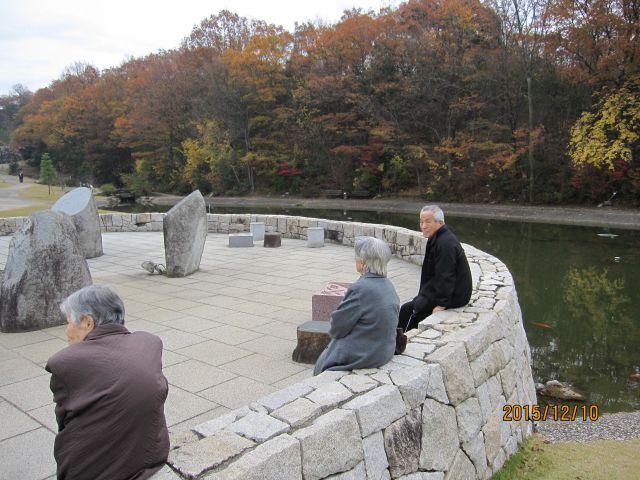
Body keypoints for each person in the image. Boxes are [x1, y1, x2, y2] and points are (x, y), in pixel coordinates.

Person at [45, 285, 169, 480]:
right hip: (153, 455)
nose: (66, 330)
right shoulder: (149, 342)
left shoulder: (65, 362)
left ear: (88, 322)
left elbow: (66, 423)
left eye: (68, 322)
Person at [314, 236, 400, 375]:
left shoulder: (361, 288)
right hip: (385, 350)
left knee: (322, 363)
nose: (355, 259)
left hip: (367, 354)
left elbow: (337, 328)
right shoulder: (388, 285)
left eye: (356, 257)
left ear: (363, 262)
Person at [398, 205, 472, 332]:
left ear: (440, 222)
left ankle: (397, 342)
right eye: (421, 222)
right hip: (443, 291)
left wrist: (441, 305)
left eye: (428, 222)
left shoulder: (445, 244)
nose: (423, 226)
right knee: (415, 305)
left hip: (454, 296)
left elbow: (446, 276)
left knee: (407, 310)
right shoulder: (438, 238)